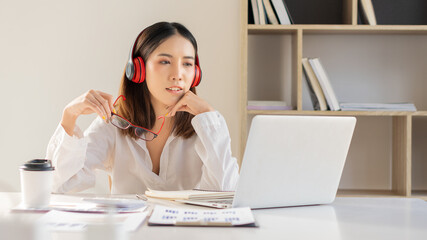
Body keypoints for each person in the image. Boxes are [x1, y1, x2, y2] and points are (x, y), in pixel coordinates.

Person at [46, 22, 239, 194]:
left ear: (196, 74)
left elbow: (226, 194)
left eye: (187, 64)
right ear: (138, 69)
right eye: (165, 61)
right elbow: (60, 186)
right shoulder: (114, 123)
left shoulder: (206, 126)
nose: (178, 74)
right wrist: (69, 116)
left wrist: (209, 118)